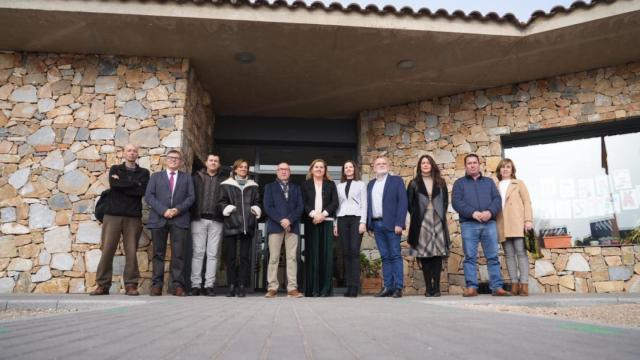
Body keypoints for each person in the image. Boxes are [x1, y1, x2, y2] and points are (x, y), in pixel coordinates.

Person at [91, 144, 149, 296]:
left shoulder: (144, 172)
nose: (132, 153)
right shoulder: (115, 169)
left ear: (138, 154)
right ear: (123, 153)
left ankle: (131, 285)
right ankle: (102, 285)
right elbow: (114, 185)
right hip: (112, 215)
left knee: (131, 252)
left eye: (134, 151)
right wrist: (134, 183)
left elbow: (141, 191)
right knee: (107, 250)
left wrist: (123, 184)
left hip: (133, 217)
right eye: (129, 150)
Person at [452, 154, 510, 297]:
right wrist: (472, 213)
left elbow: (497, 200)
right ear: (465, 166)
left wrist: (490, 212)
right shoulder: (459, 183)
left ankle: (497, 287)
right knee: (470, 257)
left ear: (479, 165)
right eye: (469, 163)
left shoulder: (489, 182)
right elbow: (456, 202)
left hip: (489, 223)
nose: (472, 165)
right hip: (468, 224)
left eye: (474, 163)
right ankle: (471, 287)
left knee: (493, 257)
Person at [145, 150, 195, 296]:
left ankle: (177, 286)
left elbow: (191, 197)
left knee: (178, 254)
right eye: (171, 158)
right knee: (158, 254)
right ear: (166, 160)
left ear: (180, 162)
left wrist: (177, 210)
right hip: (159, 219)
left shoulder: (186, 178)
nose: (173, 160)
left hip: (179, 219)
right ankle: (157, 285)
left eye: (176, 158)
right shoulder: (155, 177)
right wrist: (163, 210)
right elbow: (149, 196)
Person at [407, 155, 450, 297]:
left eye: (428, 163)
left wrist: (438, 214)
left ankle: (437, 288)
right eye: (423, 163)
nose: (425, 165)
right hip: (421, 222)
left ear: (432, 165)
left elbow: (445, 203)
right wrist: (420, 215)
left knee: (437, 255)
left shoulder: (441, 182)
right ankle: (428, 288)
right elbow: (410, 205)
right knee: (424, 255)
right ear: (419, 166)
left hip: (438, 220)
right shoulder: (414, 183)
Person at [218, 159, 261, 297]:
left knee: (244, 258)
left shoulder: (253, 186)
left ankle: (242, 285)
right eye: (240, 167)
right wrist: (227, 208)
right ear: (235, 169)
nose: (243, 169)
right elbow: (220, 202)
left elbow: (257, 201)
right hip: (231, 223)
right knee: (230, 257)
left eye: (245, 167)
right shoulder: (226, 185)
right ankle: (231, 285)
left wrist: (256, 208)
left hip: (247, 225)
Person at [366, 157, 408, 298]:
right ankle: (388, 287)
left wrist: (399, 223)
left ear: (388, 166)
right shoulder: (371, 184)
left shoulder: (396, 181)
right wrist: (369, 224)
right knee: (384, 256)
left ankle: (398, 287)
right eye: (378, 164)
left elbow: (403, 203)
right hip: (376, 224)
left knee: (395, 255)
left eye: (384, 163)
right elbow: (368, 206)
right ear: (374, 167)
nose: (381, 165)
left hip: (392, 224)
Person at [263, 162, 304, 298]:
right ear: (277, 172)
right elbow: (268, 207)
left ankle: (292, 288)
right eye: (281, 169)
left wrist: (289, 220)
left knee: (292, 258)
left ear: (289, 172)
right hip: (275, 226)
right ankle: (272, 287)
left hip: (292, 227)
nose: (284, 171)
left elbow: (300, 207)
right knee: (273, 258)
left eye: (286, 169)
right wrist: (281, 220)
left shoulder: (296, 188)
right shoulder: (269, 187)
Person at [495, 159, 533, 296]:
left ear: (512, 170)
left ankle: (524, 284)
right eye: (502, 167)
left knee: (521, 254)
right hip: (502, 223)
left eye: (508, 167)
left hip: (518, 223)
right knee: (509, 255)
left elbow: (527, 202)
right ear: (499, 170)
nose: (505, 169)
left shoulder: (519, 183)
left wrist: (528, 220)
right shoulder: (496, 185)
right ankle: (514, 284)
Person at [189, 153, 225, 296]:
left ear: (219, 164)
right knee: (198, 253)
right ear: (206, 162)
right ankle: (196, 285)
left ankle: (209, 285)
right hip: (198, 219)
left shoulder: (223, 180)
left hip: (216, 220)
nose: (213, 162)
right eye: (211, 160)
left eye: (216, 161)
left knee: (213, 254)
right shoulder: (196, 177)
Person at [301, 159, 338, 297]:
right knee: (312, 255)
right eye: (316, 167)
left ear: (325, 170)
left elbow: (335, 202)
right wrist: (313, 215)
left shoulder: (331, 184)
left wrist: (322, 215)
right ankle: (312, 290)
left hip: (326, 221)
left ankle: (325, 290)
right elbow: (303, 202)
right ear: (311, 169)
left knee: (326, 256)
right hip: (311, 222)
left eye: (321, 167)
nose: (319, 169)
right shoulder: (305, 185)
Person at [333, 160, 367, 297]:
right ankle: (349, 286)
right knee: (346, 253)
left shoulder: (361, 184)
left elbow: (365, 204)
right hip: (342, 219)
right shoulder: (339, 186)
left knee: (354, 252)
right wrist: (335, 224)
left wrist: (363, 222)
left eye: (350, 167)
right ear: (343, 171)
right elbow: (337, 206)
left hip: (356, 218)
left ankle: (355, 287)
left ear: (354, 169)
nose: (348, 169)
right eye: (345, 167)